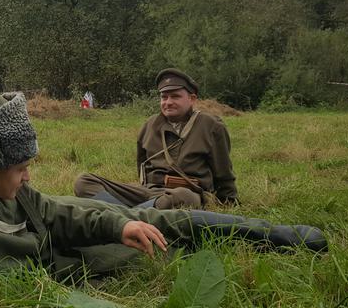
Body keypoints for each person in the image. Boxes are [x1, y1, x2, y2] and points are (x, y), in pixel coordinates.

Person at [0, 90, 326, 279]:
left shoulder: (1, 183)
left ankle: (278, 235)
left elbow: (56, 213)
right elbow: (34, 290)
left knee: (159, 221)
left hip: (75, 234)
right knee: (163, 237)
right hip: (69, 262)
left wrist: (118, 226)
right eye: (22, 170)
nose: (29, 177)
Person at [74, 69, 239, 210]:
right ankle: (137, 214)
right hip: (149, 192)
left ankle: (123, 215)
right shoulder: (150, 125)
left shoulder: (211, 126)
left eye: (175, 96)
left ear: (192, 99)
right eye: (164, 97)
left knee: (182, 197)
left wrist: (229, 202)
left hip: (188, 194)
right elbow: (142, 166)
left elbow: (223, 172)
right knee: (84, 182)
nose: (168, 102)